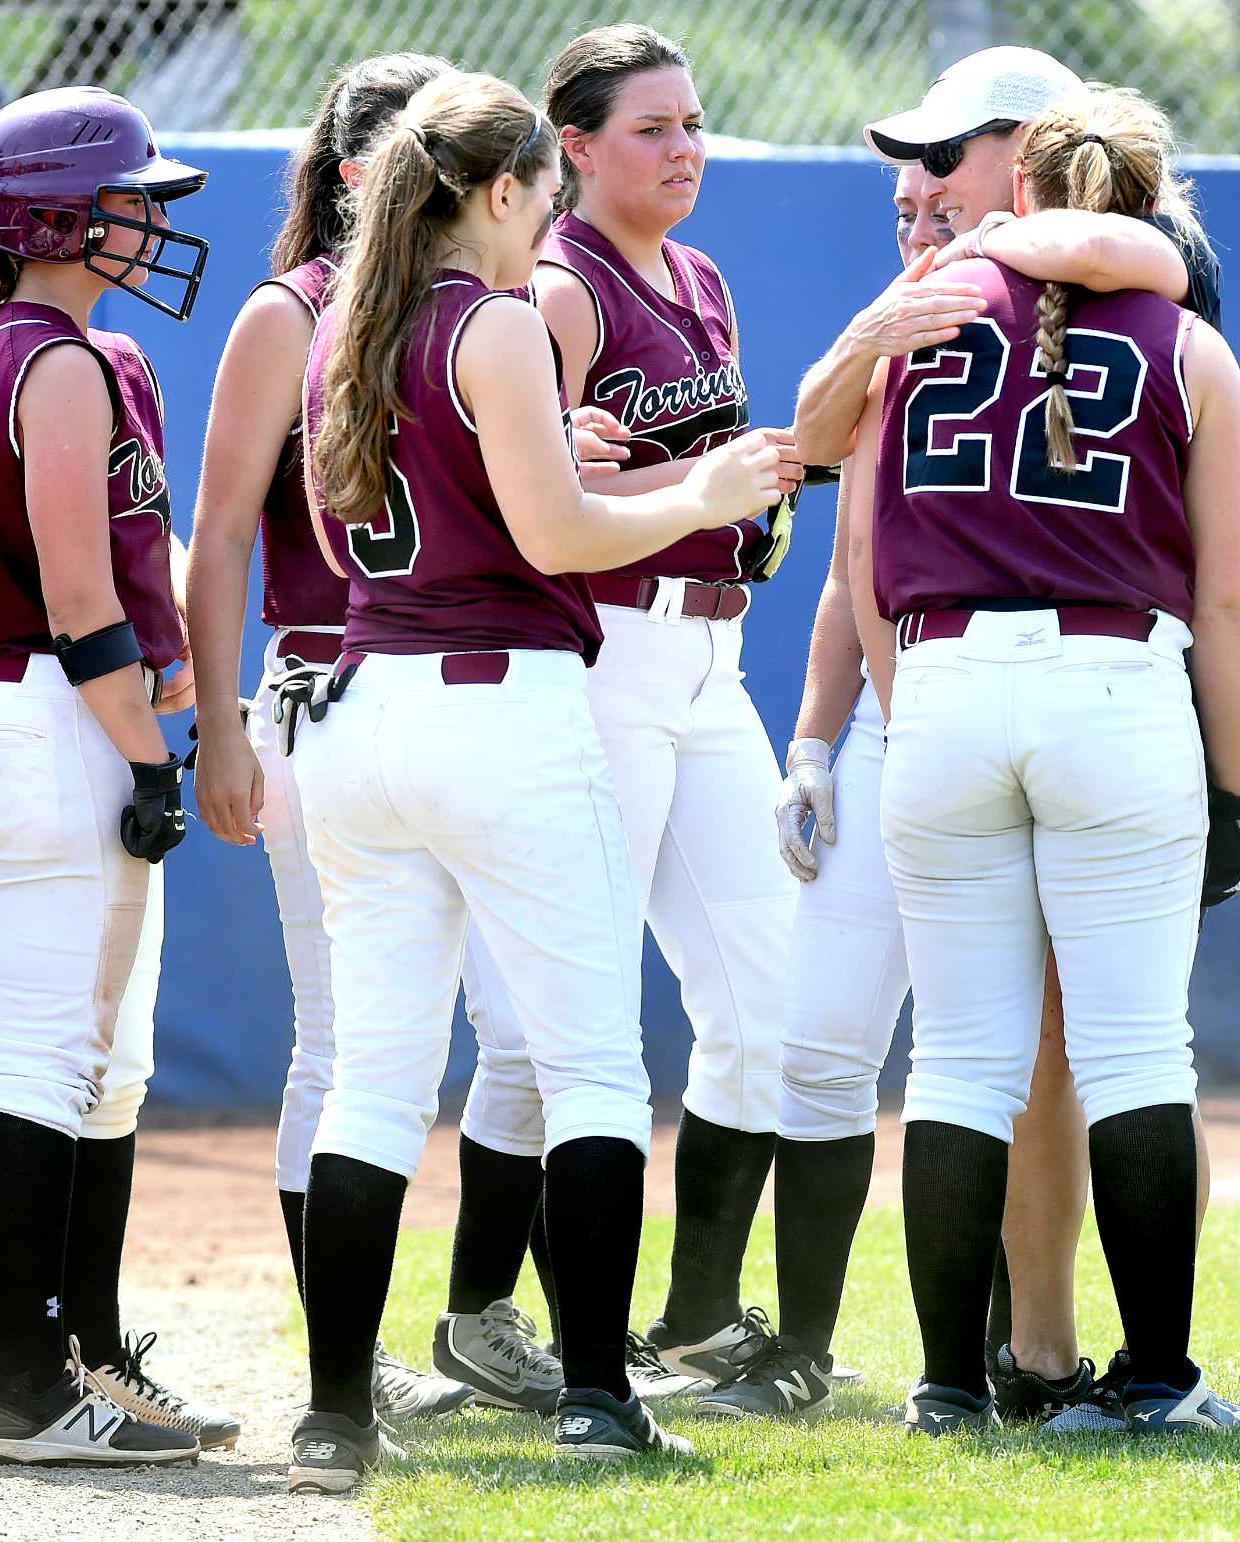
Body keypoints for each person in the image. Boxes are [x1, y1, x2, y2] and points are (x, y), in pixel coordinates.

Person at [287, 68, 797, 1491]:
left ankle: (333, 1415)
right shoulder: (498, 317)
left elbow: (373, 527)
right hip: (498, 702)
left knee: (377, 1080)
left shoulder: (345, 318)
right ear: (502, 190)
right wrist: (704, 493)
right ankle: (594, 1397)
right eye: (541, 200)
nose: (544, 229)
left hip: (364, 700)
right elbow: (564, 537)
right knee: (588, 1063)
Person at [773, 45, 1227, 1426]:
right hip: (1080, 688)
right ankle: (1112, 1370)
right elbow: (842, 507)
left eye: (954, 150)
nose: (921, 179)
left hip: (995, 683)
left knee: (993, 1051)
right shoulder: (951, 290)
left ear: (1028, 153)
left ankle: (975, 1371)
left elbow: (850, 521)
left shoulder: (1078, 273)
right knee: (1108, 1047)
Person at [0, 143, 233, 1463]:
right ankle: (29, 1390)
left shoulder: (6, 347)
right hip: (47, 710)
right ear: (60, 213)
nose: (149, 221)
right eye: (132, 198)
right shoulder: (56, 359)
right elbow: (79, 598)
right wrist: (149, 751)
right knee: (41, 1063)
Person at [441, 22, 800, 1400]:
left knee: (762, 991)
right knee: (549, 1016)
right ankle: (481, 1314)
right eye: (651, 128)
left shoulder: (699, 274)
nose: (685, 148)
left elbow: (709, 465)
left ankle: (699, 1319)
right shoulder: (561, 289)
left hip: (713, 666)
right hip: (605, 658)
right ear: (572, 149)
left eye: (694, 123)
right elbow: (538, 504)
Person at [183, 48, 501, 1426]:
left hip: (465, 691)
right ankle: (342, 1360)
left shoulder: (481, 304)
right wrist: (217, 725)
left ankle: (479, 1323)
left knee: (502, 1033)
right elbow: (216, 534)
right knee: (345, 1037)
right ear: (366, 168)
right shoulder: (291, 307)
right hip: (325, 678)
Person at [692, 161, 950, 1421]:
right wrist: (811, 746)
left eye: (938, 200)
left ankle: (999, 1354)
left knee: (987, 1056)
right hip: (894, 739)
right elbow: (847, 560)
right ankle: (799, 1348)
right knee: (817, 1045)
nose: (916, 225)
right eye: (901, 206)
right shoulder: (897, 328)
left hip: (1009, 717)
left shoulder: (1094, 308)